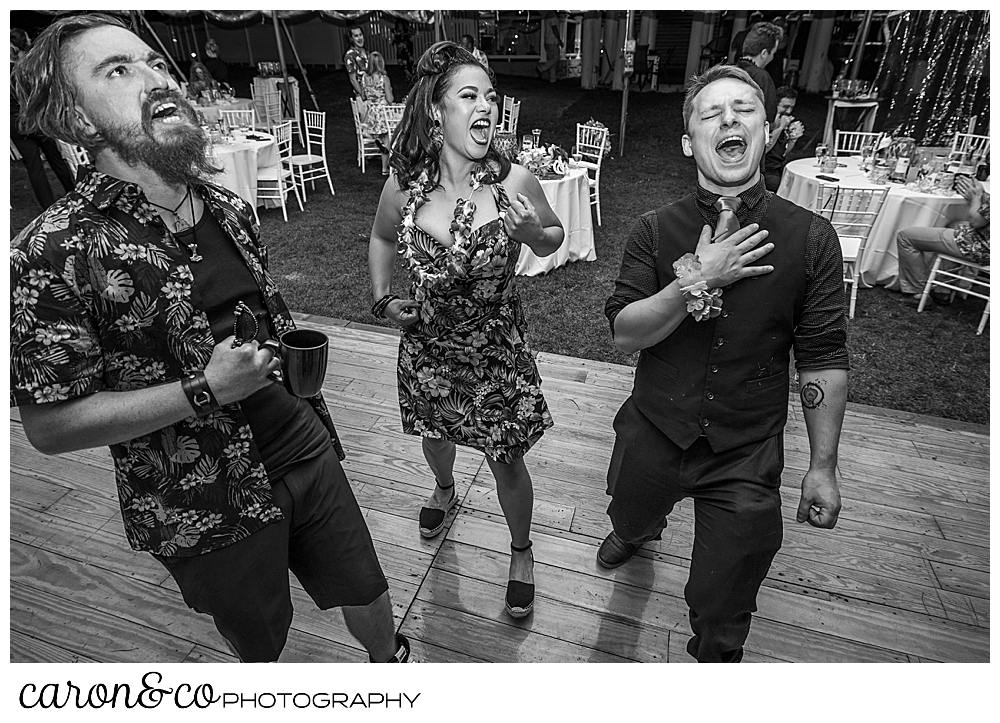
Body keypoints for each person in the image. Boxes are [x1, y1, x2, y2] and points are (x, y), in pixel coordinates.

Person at [10, 13, 412, 664]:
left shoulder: (226, 206)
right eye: (118, 71)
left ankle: (390, 664)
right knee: (260, 639)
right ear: (79, 120)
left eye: (153, 62)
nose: (153, 77)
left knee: (365, 584)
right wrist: (205, 389)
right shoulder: (50, 252)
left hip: (301, 441)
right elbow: (50, 426)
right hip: (202, 499)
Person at [598, 63, 849, 663]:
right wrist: (698, 281)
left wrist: (823, 466)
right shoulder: (654, 230)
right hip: (655, 430)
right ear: (690, 142)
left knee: (723, 598)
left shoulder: (811, 239)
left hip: (745, 451)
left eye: (744, 109)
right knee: (628, 509)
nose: (729, 119)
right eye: (711, 113)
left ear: (767, 132)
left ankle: (715, 654)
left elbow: (822, 360)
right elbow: (623, 335)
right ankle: (635, 532)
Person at [368, 41, 564, 620]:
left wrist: (532, 234)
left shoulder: (513, 181)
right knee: (435, 435)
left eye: (492, 97)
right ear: (436, 108)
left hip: (494, 345)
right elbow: (381, 237)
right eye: (470, 95)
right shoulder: (406, 184)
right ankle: (444, 489)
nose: (488, 107)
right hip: (430, 342)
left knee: (506, 460)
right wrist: (382, 298)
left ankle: (522, 552)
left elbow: (553, 237)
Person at [895, 176, 990, 307]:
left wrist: (977, 197)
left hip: (982, 248)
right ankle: (943, 289)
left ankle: (917, 293)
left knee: (906, 237)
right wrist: (984, 197)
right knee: (955, 224)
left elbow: (975, 221)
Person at [10, 26, 75, 209]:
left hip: (15, 124)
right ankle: (73, 192)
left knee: (33, 166)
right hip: (34, 119)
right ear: (25, 42)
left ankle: (48, 208)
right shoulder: (26, 68)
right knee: (55, 158)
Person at [735, 22, 780, 127]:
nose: (772, 57)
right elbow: (769, 119)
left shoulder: (727, 70)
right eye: (773, 53)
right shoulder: (762, 77)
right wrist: (779, 125)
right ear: (764, 53)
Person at [762, 86, 805, 192]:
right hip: (764, 170)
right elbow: (764, 150)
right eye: (785, 107)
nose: (789, 111)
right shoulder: (767, 122)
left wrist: (792, 139)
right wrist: (780, 128)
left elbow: (782, 152)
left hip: (778, 168)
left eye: (791, 107)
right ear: (775, 105)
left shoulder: (782, 120)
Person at [361, 51, 395, 175]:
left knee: (381, 138)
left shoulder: (364, 78)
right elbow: (390, 99)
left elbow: (363, 96)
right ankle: (385, 168)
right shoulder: (383, 79)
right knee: (387, 139)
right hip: (382, 113)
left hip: (371, 114)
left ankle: (379, 144)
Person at [537, 11, 562, 83]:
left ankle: (552, 79)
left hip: (547, 41)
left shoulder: (547, 15)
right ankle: (542, 68)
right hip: (552, 41)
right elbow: (554, 28)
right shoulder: (553, 16)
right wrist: (559, 39)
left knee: (551, 60)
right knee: (556, 58)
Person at [344, 25, 369, 99]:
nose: (360, 38)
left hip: (372, 93)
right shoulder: (350, 55)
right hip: (362, 96)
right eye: (356, 36)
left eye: (360, 35)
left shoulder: (366, 51)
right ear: (351, 39)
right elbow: (352, 78)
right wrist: (362, 94)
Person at [392, 18, 415, 87]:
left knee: (409, 65)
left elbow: (411, 37)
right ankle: (410, 77)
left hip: (408, 53)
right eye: (398, 25)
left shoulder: (407, 33)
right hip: (401, 53)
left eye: (400, 25)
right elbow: (394, 42)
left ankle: (410, 79)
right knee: (403, 66)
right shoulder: (397, 34)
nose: (399, 26)